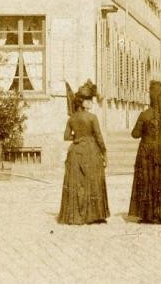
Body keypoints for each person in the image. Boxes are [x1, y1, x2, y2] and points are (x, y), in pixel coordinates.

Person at [127, 80, 161, 223]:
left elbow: (135, 134)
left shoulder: (144, 115)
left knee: (146, 180)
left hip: (146, 152)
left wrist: (145, 130)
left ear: (150, 96)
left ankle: (148, 215)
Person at [57, 82, 110, 224]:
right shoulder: (92, 118)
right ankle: (93, 215)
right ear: (83, 102)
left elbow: (66, 136)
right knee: (92, 181)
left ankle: (75, 215)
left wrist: (78, 137)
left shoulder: (72, 118)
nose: (91, 103)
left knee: (77, 183)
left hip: (75, 152)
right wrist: (104, 153)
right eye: (89, 100)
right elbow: (99, 137)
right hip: (91, 150)